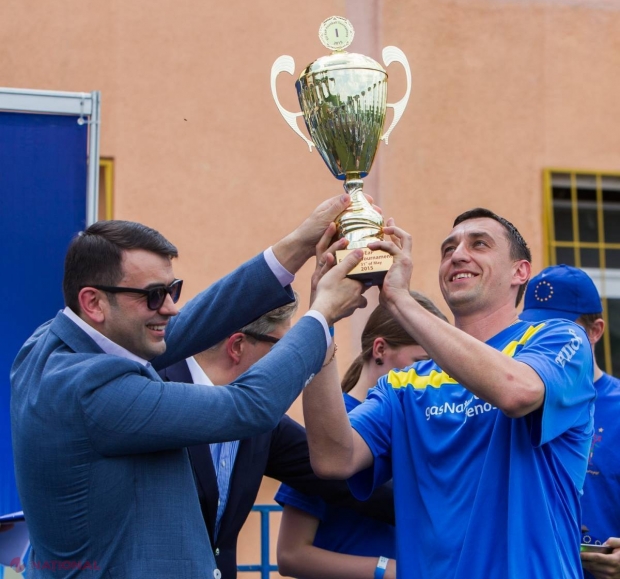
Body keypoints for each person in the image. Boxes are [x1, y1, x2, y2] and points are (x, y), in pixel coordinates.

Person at [10, 194, 369, 579]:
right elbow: (247, 407)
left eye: (172, 290)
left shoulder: (49, 344)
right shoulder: (89, 389)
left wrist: (298, 242)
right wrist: (320, 317)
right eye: (153, 296)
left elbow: (193, 324)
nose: (170, 307)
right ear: (93, 303)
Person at [302, 208, 596, 579]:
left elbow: (516, 392)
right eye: (448, 248)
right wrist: (320, 320)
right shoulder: (405, 384)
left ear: (520, 272)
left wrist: (399, 300)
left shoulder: (555, 339)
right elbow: (332, 458)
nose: (458, 255)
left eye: (479, 244)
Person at [158, 294, 395, 579]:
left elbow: (338, 481)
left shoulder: (263, 422)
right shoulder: (153, 390)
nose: (290, 362)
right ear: (237, 346)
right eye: (284, 348)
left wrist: (438, 508)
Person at [275, 291, 448, 579]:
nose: (434, 375)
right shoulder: (332, 427)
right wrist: (388, 570)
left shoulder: (419, 424)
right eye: (423, 361)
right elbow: (291, 555)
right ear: (379, 349)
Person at [519, 264, 620, 579]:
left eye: (560, 330)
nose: (544, 341)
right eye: (534, 329)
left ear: (596, 331)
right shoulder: (514, 401)